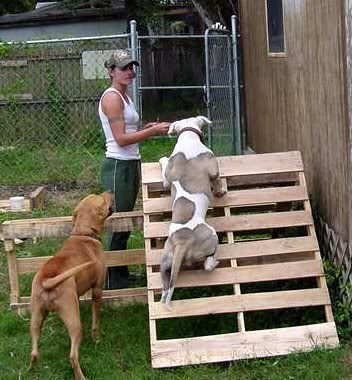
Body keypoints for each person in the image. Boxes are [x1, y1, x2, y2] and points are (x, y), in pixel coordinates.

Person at [99, 49, 170, 289]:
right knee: (119, 223)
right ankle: (112, 279)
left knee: (125, 223)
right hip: (118, 166)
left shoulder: (125, 95)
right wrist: (151, 132)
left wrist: (144, 127)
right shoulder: (111, 97)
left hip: (129, 163)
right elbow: (120, 139)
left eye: (131, 67)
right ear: (111, 71)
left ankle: (120, 273)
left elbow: (127, 130)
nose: (130, 72)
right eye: (123, 68)